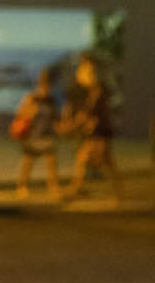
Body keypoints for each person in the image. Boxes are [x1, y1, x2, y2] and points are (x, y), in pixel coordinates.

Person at [60, 54, 123, 202]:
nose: (82, 73)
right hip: (99, 131)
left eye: (87, 70)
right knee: (98, 161)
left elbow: (89, 112)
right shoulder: (96, 91)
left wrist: (71, 126)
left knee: (96, 161)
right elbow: (86, 112)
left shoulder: (98, 92)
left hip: (99, 132)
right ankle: (117, 191)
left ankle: (78, 188)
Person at [10, 68, 61, 198]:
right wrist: (31, 110)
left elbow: (55, 118)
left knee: (51, 162)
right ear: (39, 85)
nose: (46, 89)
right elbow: (21, 114)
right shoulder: (32, 98)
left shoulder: (51, 100)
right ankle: (22, 186)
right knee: (28, 162)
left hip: (47, 134)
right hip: (33, 135)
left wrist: (61, 127)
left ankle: (53, 187)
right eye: (43, 85)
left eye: (48, 86)